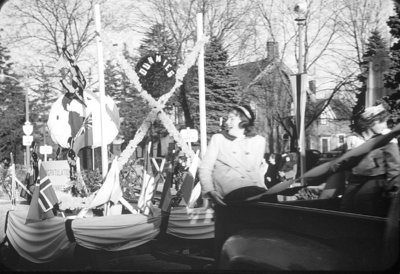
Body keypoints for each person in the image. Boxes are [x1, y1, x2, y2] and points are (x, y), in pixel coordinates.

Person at [199, 104, 267, 265]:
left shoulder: (258, 141)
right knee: (230, 236)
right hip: (231, 190)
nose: (227, 120)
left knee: (263, 229)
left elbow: (256, 169)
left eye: (232, 117)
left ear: (243, 120)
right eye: (228, 117)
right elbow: (205, 167)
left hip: (255, 189)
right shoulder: (219, 139)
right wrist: (210, 190)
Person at [341, 104, 400, 217]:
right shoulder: (353, 139)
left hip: (377, 178)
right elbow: (346, 162)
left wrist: (393, 185)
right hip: (356, 178)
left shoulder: (386, 138)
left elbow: (395, 163)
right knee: (347, 204)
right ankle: (349, 230)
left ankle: (369, 228)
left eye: (386, 122)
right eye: (381, 122)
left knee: (363, 199)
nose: (385, 125)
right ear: (370, 122)